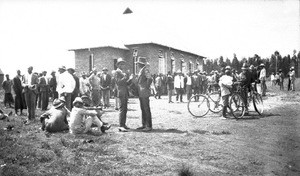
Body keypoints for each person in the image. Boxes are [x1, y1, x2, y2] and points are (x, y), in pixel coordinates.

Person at [115, 58, 133, 132]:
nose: (122, 65)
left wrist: (130, 78)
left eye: (123, 64)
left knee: (125, 109)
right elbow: (118, 82)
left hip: (125, 92)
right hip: (121, 92)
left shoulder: (122, 72)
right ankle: (121, 125)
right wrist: (125, 77)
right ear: (118, 65)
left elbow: (127, 83)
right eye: (121, 64)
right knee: (122, 109)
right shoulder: (117, 72)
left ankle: (123, 124)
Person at [135, 57, 153, 131]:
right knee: (143, 108)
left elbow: (150, 79)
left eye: (138, 64)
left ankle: (148, 126)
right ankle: (144, 124)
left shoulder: (145, 70)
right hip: (141, 92)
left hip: (144, 92)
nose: (137, 65)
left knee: (146, 109)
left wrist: (146, 87)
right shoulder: (141, 70)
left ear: (141, 64)